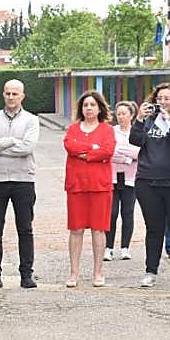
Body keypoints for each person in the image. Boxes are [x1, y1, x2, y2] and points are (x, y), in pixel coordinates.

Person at [131, 83, 170, 288]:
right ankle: (151, 271)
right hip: (148, 180)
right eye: (159, 99)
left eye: (167, 98)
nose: (162, 102)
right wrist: (140, 119)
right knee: (154, 228)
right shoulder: (149, 120)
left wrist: (169, 124)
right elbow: (135, 140)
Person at [0, 79, 39, 290]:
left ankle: (26, 274)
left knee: (25, 228)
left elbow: (28, 147)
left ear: (22, 96)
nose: (11, 97)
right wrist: (12, 140)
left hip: (23, 180)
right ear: (3, 94)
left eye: (15, 94)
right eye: (8, 93)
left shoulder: (32, 120)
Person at [63, 91, 115, 287]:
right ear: (81, 108)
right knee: (75, 229)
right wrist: (93, 149)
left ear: (100, 107)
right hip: (76, 186)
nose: (89, 108)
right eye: (85, 105)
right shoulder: (72, 129)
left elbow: (107, 151)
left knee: (98, 230)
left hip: (99, 187)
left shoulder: (107, 130)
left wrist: (86, 153)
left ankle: (98, 272)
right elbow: (70, 146)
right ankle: (74, 273)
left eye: (93, 104)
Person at [105, 101, 139, 261]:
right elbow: (109, 151)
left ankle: (125, 247)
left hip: (130, 179)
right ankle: (108, 247)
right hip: (112, 177)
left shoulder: (137, 132)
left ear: (132, 115)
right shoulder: (111, 131)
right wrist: (126, 155)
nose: (120, 117)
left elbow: (139, 152)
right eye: (118, 114)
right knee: (111, 214)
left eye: (124, 113)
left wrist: (124, 157)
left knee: (128, 212)